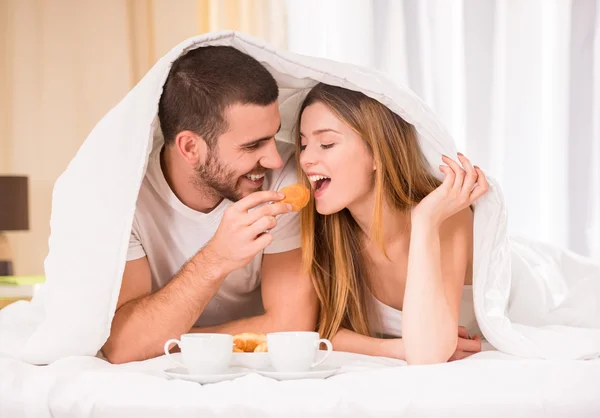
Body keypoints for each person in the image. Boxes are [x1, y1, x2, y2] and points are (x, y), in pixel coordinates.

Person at [101, 46, 318, 364]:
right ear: (190, 147)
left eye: (273, 136)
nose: (273, 158)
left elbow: (290, 326)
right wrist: (217, 258)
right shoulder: (126, 199)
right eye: (252, 145)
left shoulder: (285, 176)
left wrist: (169, 338)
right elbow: (124, 346)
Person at [295, 83, 489, 365]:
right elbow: (321, 331)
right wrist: (398, 348)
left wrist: (424, 221)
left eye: (326, 144)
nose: (305, 158)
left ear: (377, 153)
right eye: (303, 145)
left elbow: (427, 357)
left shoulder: (445, 215)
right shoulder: (331, 229)